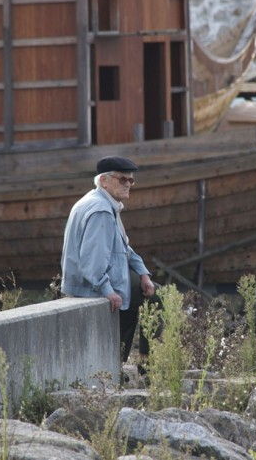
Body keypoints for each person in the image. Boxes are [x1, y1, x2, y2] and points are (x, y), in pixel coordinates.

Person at [60, 155, 156, 363]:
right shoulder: (101, 211)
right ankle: (141, 366)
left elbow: (124, 248)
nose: (128, 184)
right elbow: (91, 262)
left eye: (131, 180)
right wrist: (108, 291)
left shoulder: (100, 202)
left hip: (98, 280)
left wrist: (143, 273)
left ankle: (126, 363)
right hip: (89, 287)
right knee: (153, 301)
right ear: (104, 180)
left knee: (147, 292)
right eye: (123, 179)